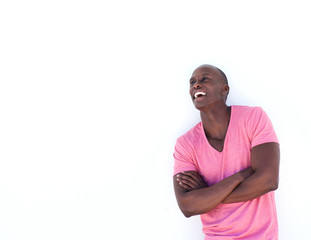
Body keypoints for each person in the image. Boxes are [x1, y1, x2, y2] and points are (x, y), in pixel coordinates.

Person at [173, 64, 280, 239]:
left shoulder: (253, 118)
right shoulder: (185, 144)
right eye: (192, 82)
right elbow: (188, 206)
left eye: (204, 79)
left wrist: (208, 194)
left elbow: (269, 180)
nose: (196, 85)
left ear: (224, 89)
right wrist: (241, 176)